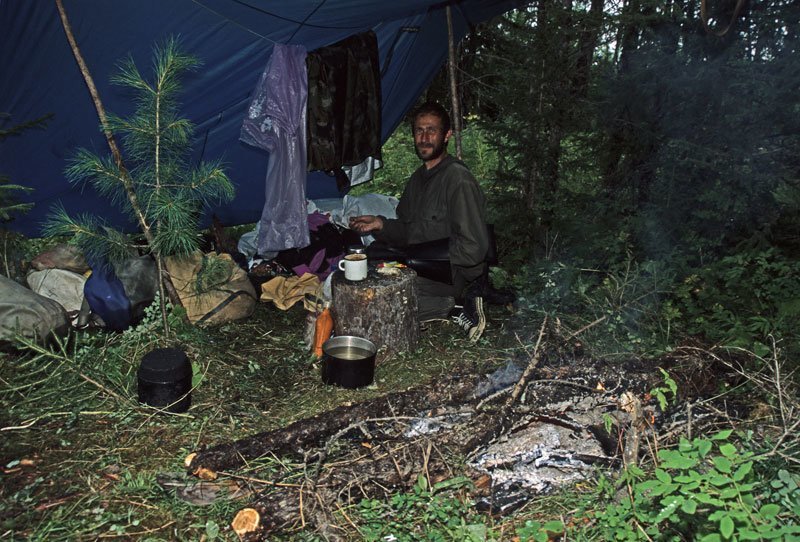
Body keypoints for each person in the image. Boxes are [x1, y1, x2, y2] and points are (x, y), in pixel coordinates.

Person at [349, 101, 489, 341]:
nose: (424, 138)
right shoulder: (418, 179)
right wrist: (381, 224)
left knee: (375, 298)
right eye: (418, 130)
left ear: (447, 135)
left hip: (448, 275)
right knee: (364, 273)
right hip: (417, 264)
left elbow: (474, 249)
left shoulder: (458, 179)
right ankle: (436, 304)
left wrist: (419, 258)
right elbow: (408, 230)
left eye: (431, 130)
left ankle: (453, 307)